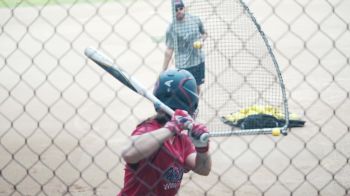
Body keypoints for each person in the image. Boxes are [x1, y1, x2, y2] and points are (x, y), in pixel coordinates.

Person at [118, 69, 211, 196]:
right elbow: (128, 153)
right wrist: (171, 128)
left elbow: (203, 169)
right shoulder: (149, 129)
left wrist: (202, 148)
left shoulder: (181, 140)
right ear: (191, 103)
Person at [163, 0, 208, 94]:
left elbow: (204, 33)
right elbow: (169, 50)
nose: (179, 11)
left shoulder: (195, 20)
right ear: (172, 11)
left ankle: (195, 107)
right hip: (183, 65)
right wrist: (164, 69)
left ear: (184, 8)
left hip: (198, 61)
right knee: (184, 89)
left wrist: (201, 41)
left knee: (197, 87)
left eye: (181, 8)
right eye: (176, 9)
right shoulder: (172, 28)